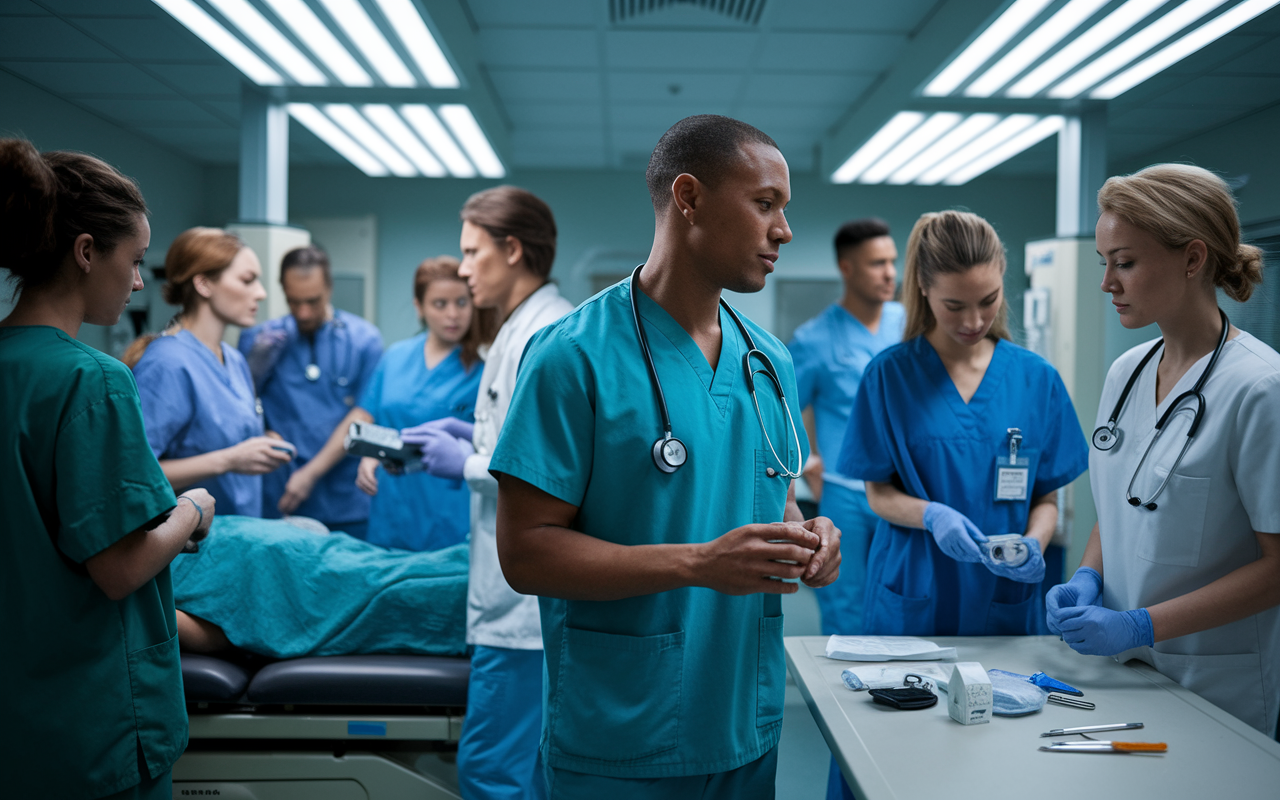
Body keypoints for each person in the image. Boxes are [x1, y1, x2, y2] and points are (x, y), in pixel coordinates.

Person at [488, 115, 841, 800]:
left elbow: (776, 497)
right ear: (689, 197)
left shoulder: (769, 363)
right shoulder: (572, 355)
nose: (785, 231)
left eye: (784, 209)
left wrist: (810, 539)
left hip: (744, 717)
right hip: (620, 734)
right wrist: (700, 564)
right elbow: (525, 554)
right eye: (764, 203)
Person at [0, 138, 215, 799]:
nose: (140, 281)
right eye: (136, 259)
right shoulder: (92, 381)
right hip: (90, 729)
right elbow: (120, 569)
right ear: (87, 251)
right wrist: (194, 512)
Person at [1048, 164, 1280, 738]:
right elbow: (1126, 503)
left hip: (1215, 682)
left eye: (1123, 262)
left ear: (1193, 259)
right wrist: (1087, 577)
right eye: (1105, 263)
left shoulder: (1260, 388)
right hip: (1122, 674)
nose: (1107, 283)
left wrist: (1139, 624)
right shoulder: (1127, 371)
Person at [403, 187, 573, 800]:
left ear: (512, 249)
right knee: (525, 767)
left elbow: (547, 475)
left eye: (473, 253)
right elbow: (514, 441)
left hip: (521, 606)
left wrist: (467, 462)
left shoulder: (544, 333)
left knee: (491, 772)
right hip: (515, 592)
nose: (464, 268)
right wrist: (469, 436)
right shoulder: (518, 329)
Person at [789, 217, 903, 636]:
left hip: (903, 494)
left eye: (892, 261)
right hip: (846, 496)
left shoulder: (910, 327)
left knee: (902, 604)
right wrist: (807, 461)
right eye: (877, 263)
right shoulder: (814, 338)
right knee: (847, 611)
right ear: (847, 268)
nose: (890, 272)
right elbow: (778, 414)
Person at [127, 228, 294, 516]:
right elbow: (135, 475)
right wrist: (229, 460)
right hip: (193, 548)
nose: (262, 293)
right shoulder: (167, 363)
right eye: (247, 280)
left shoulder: (235, 360)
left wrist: (261, 444)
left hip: (239, 536)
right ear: (204, 284)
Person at [336, 255, 491, 551]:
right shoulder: (394, 357)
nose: (453, 315)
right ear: (419, 307)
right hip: (394, 504)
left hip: (451, 507)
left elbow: (493, 442)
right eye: (440, 304)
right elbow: (379, 420)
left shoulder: (485, 367)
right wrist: (371, 455)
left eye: (461, 302)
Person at [237, 245, 383, 536]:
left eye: (313, 301)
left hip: (344, 500)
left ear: (329, 287)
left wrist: (310, 474)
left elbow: (364, 413)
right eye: (294, 302)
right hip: (280, 495)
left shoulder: (365, 340)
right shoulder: (260, 341)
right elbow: (243, 405)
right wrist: (263, 427)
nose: (303, 313)